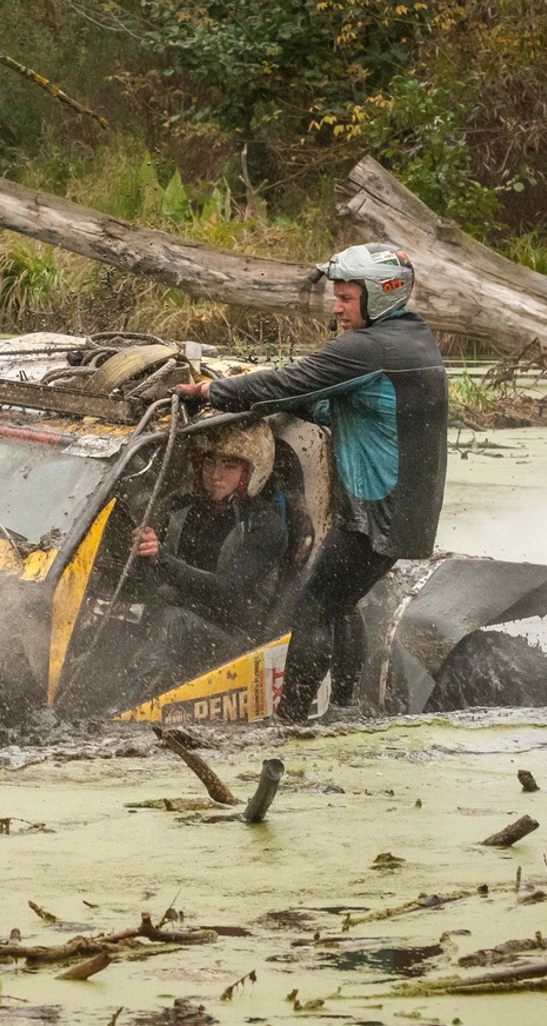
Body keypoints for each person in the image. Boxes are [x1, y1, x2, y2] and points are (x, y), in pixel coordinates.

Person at [172, 242, 448, 722]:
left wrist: (212, 390)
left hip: (377, 512)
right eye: (336, 297)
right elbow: (330, 402)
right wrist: (273, 396)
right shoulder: (413, 337)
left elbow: (290, 382)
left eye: (346, 298)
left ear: (381, 295)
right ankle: (343, 705)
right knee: (341, 602)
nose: (336, 308)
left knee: (314, 605)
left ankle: (292, 718)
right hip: (403, 509)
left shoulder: (368, 349)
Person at [122, 419, 287, 698]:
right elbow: (152, 580)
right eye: (209, 462)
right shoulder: (183, 509)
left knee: (174, 621)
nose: (215, 475)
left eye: (229, 465)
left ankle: (121, 709)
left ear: (249, 472)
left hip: (237, 643)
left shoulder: (266, 526)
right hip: (181, 623)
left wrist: (161, 559)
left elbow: (227, 591)